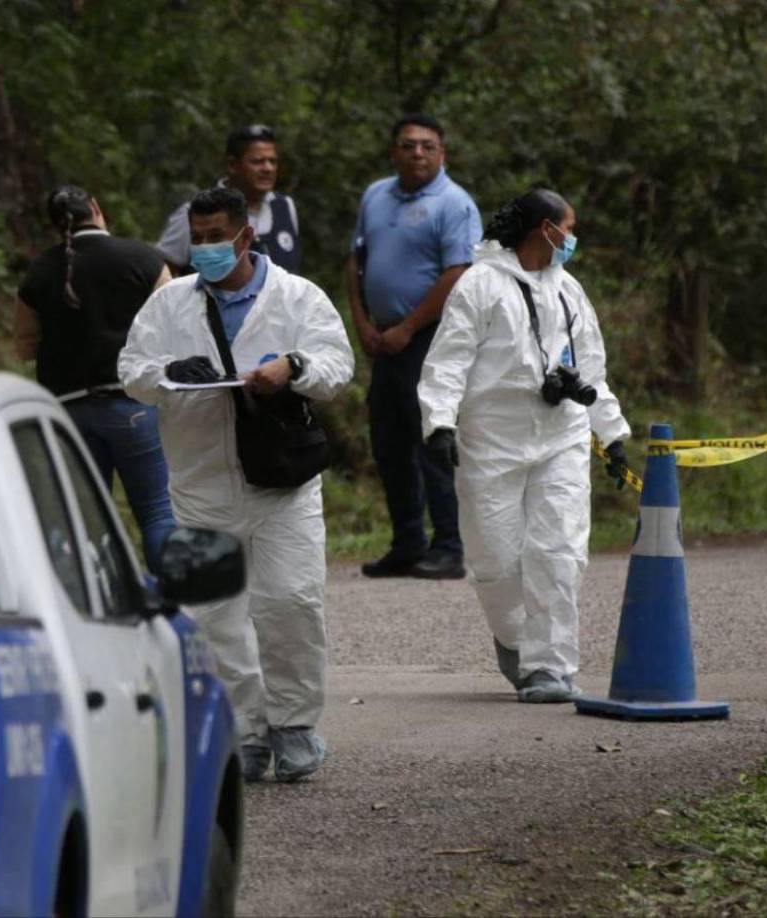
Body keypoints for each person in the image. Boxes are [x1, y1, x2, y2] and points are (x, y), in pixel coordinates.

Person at [120, 186, 353, 782]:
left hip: (282, 484)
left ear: (246, 236)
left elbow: (336, 366)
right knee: (214, 614)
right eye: (196, 239)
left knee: (290, 602)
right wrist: (168, 373)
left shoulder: (297, 297)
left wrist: (291, 368)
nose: (205, 249)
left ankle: (294, 725)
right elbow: (131, 372)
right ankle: (242, 731)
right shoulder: (170, 304)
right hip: (200, 485)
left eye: (216, 238)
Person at [417, 188, 632, 703]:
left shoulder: (569, 291)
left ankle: (549, 667)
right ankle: (515, 641)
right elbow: (449, 359)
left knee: (557, 550)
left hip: (560, 436)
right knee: (495, 558)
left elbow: (592, 370)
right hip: (493, 441)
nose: (573, 239)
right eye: (570, 228)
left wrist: (613, 434)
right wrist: (440, 422)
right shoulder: (480, 286)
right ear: (545, 229)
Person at [347, 114, 482, 580]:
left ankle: (449, 545)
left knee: (433, 440)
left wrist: (408, 326)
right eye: (408, 146)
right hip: (383, 339)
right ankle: (407, 542)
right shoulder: (375, 195)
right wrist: (362, 322)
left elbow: (458, 274)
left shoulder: (454, 204)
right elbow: (357, 260)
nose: (417, 154)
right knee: (389, 443)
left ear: (442, 153)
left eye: (427, 146)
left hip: (430, 338)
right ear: (394, 152)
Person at [16, 185, 176, 573]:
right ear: (96, 208)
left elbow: (24, 345)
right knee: (156, 512)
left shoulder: (38, 272)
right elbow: (176, 328)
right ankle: (174, 601)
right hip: (132, 404)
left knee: (86, 522)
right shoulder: (144, 258)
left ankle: (96, 608)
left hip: (67, 411)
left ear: (54, 224)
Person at [156, 124, 301, 274]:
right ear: (232, 165)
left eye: (272, 161)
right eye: (258, 161)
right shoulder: (196, 212)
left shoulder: (284, 207)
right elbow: (162, 275)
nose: (268, 168)